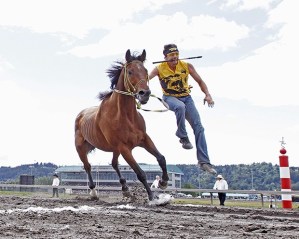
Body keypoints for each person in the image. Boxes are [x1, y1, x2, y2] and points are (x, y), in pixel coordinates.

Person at [149, 43, 217, 175]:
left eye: (176, 54)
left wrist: (207, 94)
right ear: (165, 56)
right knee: (180, 107)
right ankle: (182, 136)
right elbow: (145, 79)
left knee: (199, 127)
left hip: (186, 97)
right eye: (171, 55)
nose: (174, 57)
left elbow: (200, 81)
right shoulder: (159, 69)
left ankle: (204, 162)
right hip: (169, 98)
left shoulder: (186, 66)